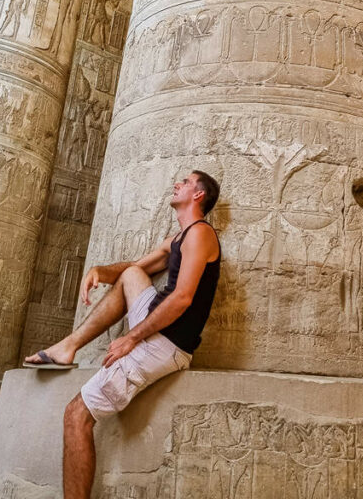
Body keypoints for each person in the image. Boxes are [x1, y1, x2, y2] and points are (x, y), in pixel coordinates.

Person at [23, 170, 221, 499]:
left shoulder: (201, 234)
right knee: (130, 274)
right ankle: (67, 347)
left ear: (199, 195)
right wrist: (100, 270)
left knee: (76, 415)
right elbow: (138, 267)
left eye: (185, 182)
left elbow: (184, 297)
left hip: (165, 343)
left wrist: (132, 338)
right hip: (156, 326)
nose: (176, 183)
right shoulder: (179, 238)